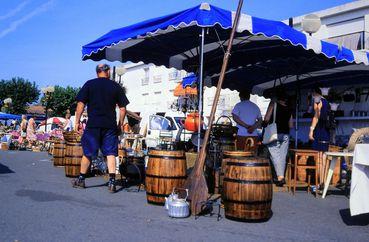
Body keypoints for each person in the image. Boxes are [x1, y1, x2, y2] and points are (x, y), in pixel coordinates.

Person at [72, 64, 129, 193]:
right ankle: (112, 182)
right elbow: (122, 108)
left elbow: (80, 104)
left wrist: (77, 121)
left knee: (88, 152)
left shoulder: (89, 84)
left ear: (97, 72)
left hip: (93, 125)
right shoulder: (115, 86)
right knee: (110, 153)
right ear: (107, 72)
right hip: (109, 125)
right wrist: (120, 124)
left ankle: (81, 179)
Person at [263, 89, 293, 186]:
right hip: (285, 134)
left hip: (274, 133)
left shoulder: (273, 104)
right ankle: (280, 176)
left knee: (275, 155)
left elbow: (266, 118)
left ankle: (280, 177)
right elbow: (291, 125)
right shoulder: (289, 108)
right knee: (282, 156)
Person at [309, 87, 330, 152]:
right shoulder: (326, 102)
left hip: (319, 129)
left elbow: (316, 116)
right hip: (326, 128)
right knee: (324, 151)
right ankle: (323, 162)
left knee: (316, 150)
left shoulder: (317, 102)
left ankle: (317, 162)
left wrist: (311, 130)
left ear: (315, 93)